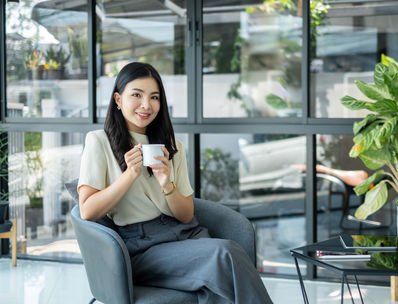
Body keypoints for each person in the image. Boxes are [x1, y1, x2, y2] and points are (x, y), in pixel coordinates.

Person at [77, 62, 273, 304]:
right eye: (136, 95)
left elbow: (186, 214)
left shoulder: (173, 148)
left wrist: (166, 182)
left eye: (154, 97)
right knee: (225, 253)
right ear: (118, 99)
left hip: (186, 234)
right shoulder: (99, 141)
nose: (146, 105)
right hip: (142, 247)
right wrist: (129, 175)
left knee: (216, 288)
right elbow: (87, 210)